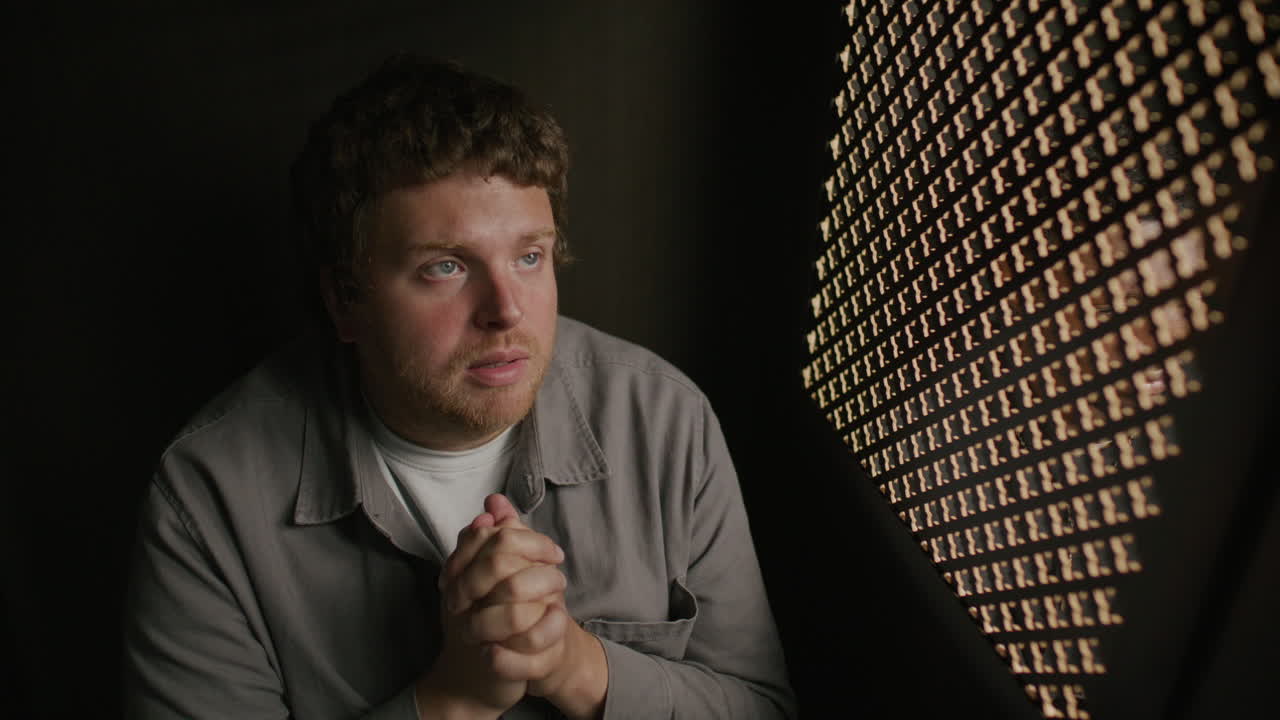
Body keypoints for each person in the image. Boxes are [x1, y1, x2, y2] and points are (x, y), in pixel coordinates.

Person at [122, 54, 795, 719]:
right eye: (445, 267)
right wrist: (455, 700)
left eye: (529, 256)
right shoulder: (210, 494)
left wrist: (573, 665)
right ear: (345, 301)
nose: (506, 310)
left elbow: (762, 708)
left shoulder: (664, 419)